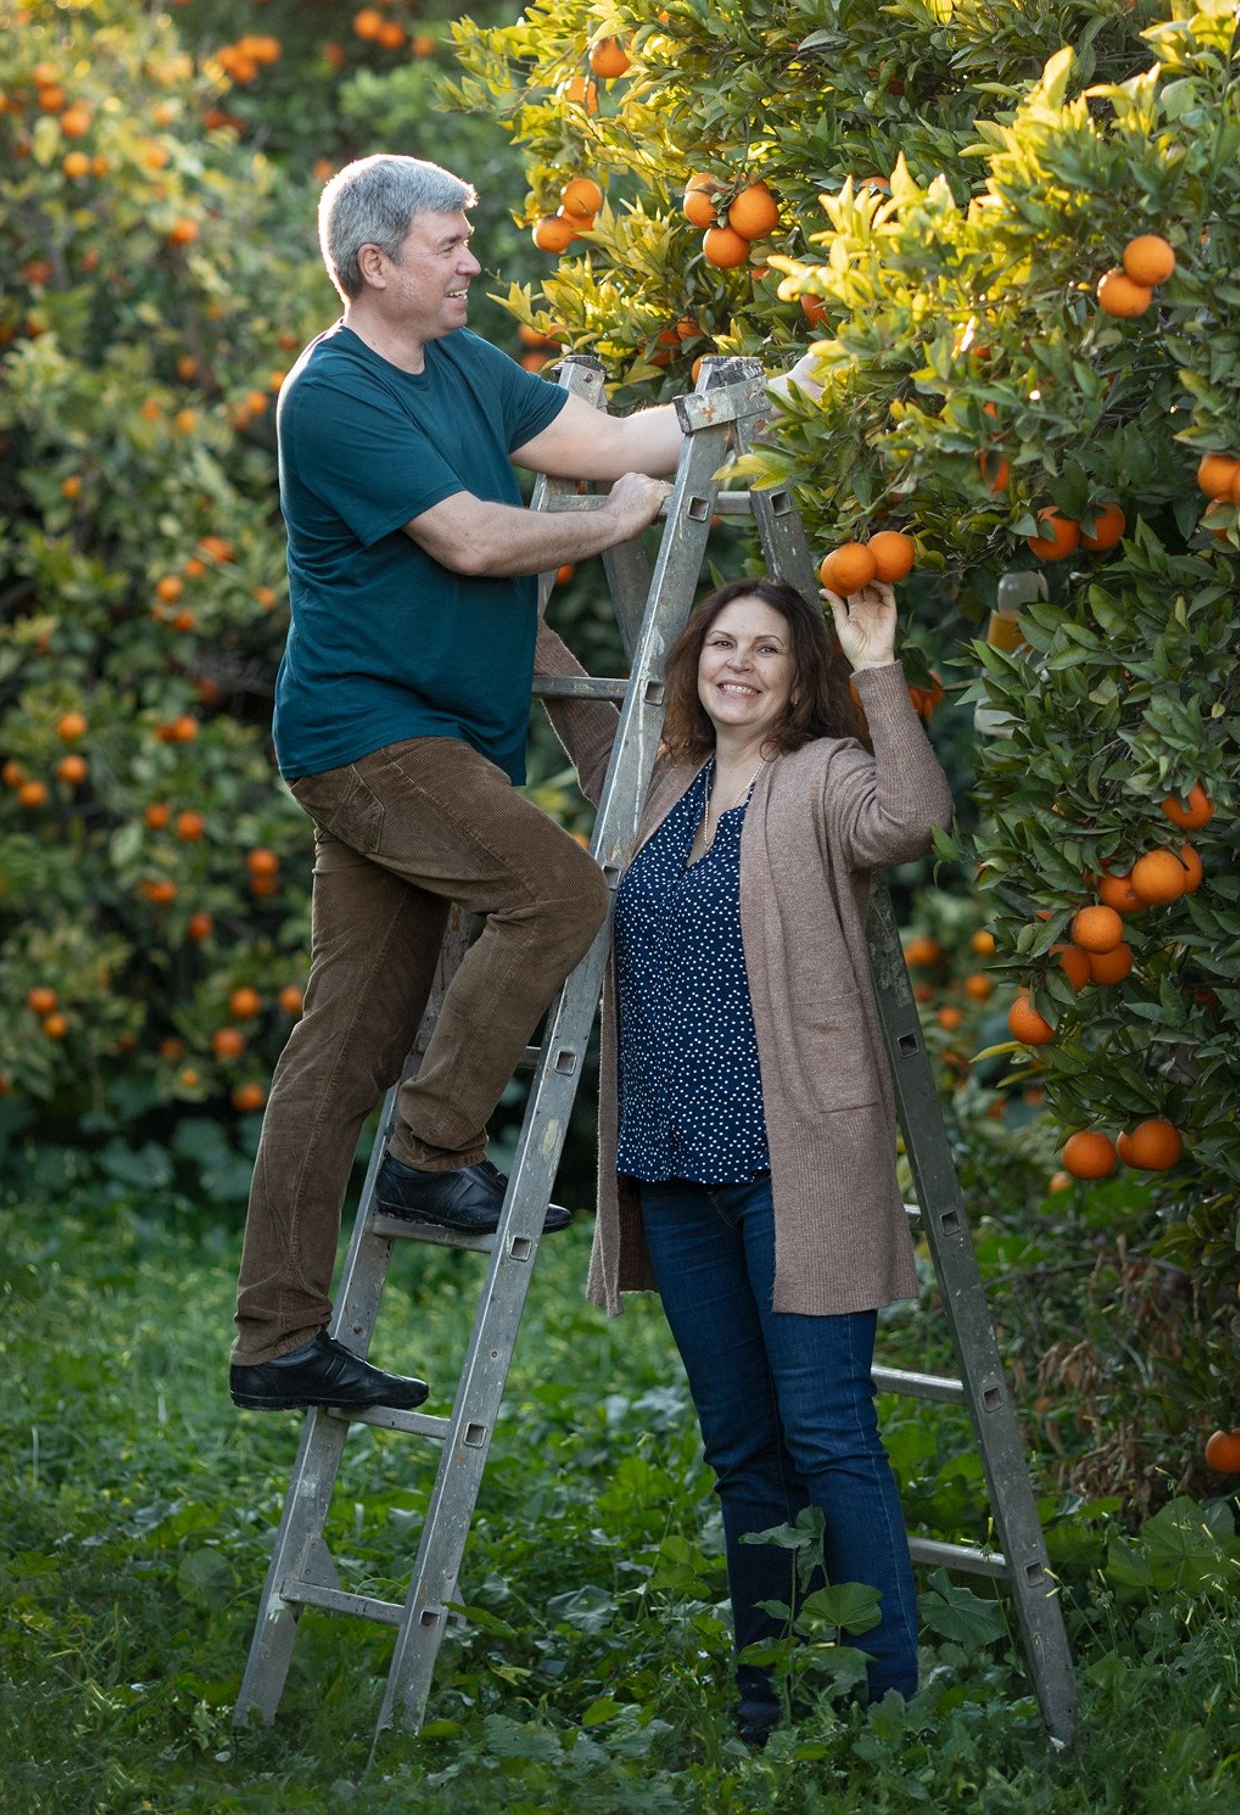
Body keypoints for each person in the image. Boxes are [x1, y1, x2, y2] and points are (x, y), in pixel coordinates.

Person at [227, 154, 681, 1414]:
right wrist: (611, 524)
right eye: (449, 243)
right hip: (370, 740)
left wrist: (754, 405)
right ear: (377, 266)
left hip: (438, 742)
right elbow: (474, 538)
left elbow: (611, 438)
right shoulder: (331, 395)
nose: (473, 260)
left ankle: (276, 1340)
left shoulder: (470, 368)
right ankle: (434, 1152)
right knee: (558, 894)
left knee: (350, 1039)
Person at [545, 574, 952, 1743]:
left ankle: (885, 1708)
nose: (739, 664)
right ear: (693, 662)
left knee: (827, 1433)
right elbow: (571, 701)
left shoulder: (822, 778)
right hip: (673, 1168)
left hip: (795, 1165)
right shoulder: (660, 783)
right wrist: (501, 565)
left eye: (766, 649)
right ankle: (766, 1704)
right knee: (742, 1455)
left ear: (797, 673)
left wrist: (877, 661)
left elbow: (913, 818)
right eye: (721, 643)